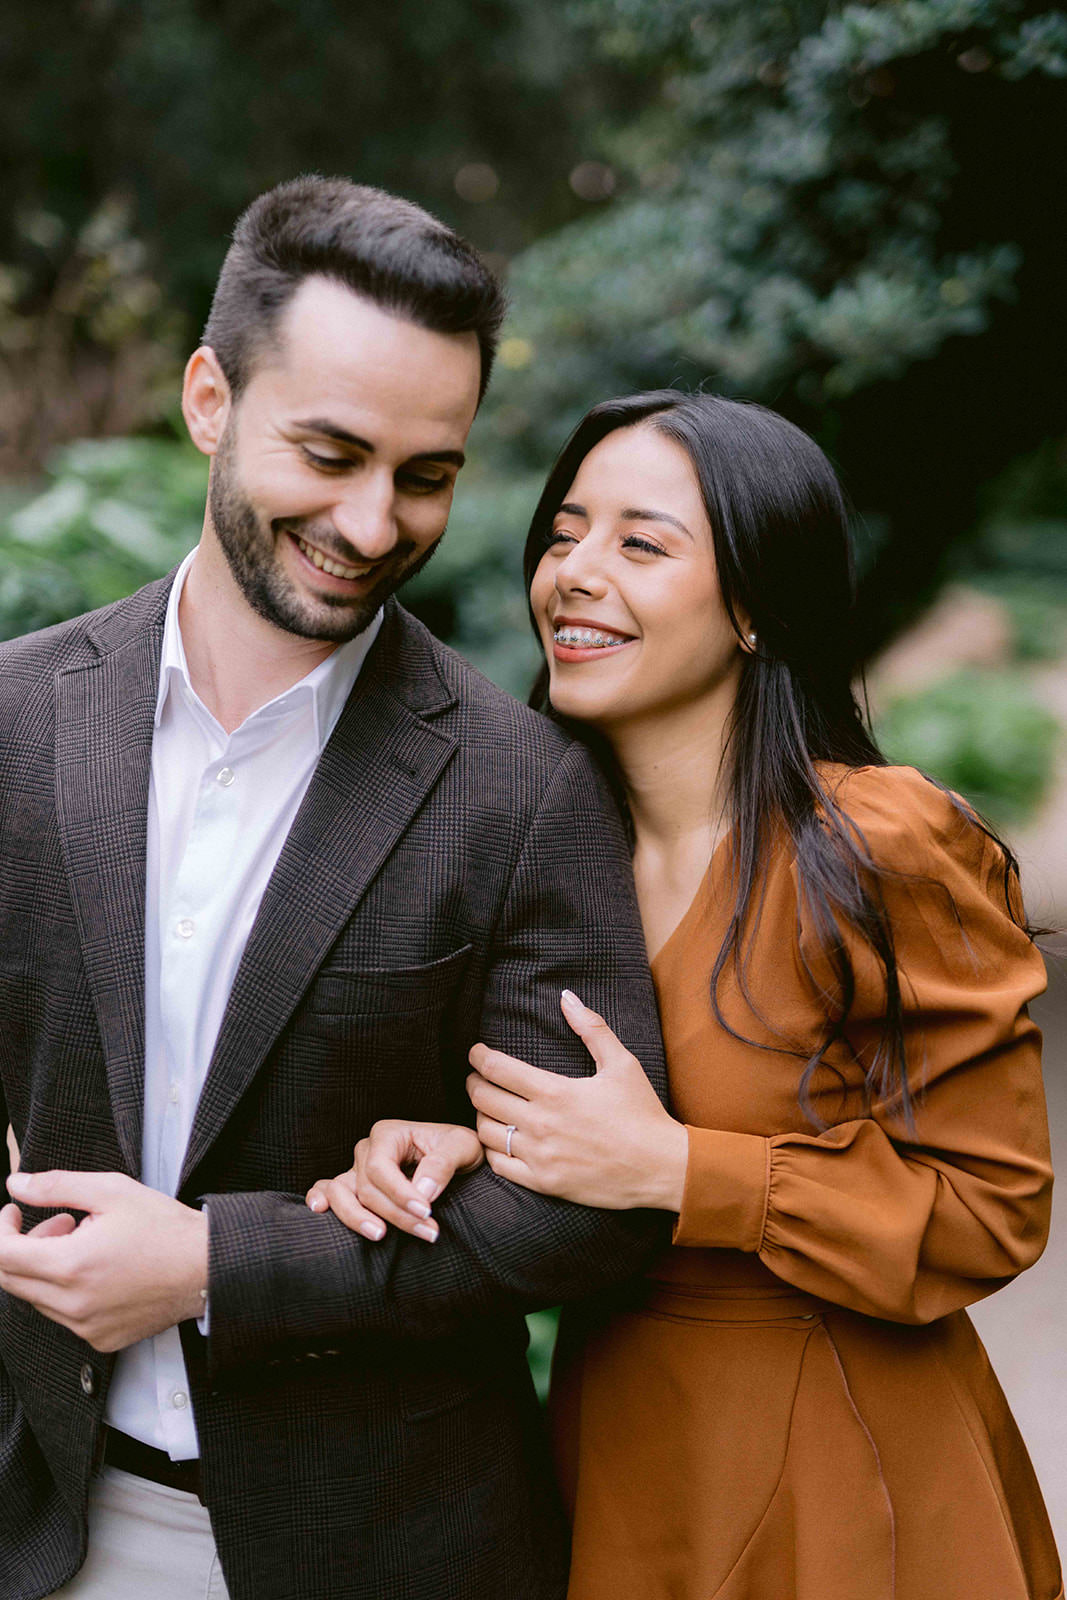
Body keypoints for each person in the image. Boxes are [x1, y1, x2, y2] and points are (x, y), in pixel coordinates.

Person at [0, 182, 669, 1600]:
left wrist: (215, 1267)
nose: (373, 523)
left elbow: (591, 1211)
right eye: (329, 452)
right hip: (41, 1521)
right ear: (207, 398)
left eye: (425, 474)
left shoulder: (523, 783)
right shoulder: (12, 717)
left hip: (389, 1545)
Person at [310, 391, 1063, 1600]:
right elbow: (588, 1151)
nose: (574, 573)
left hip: (835, 1467)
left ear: (756, 607)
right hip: (610, 1447)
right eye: (563, 533)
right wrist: (473, 1147)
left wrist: (678, 1172)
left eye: (640, 542)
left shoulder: (875, 843)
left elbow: (990, 1208)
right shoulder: (549, 846)